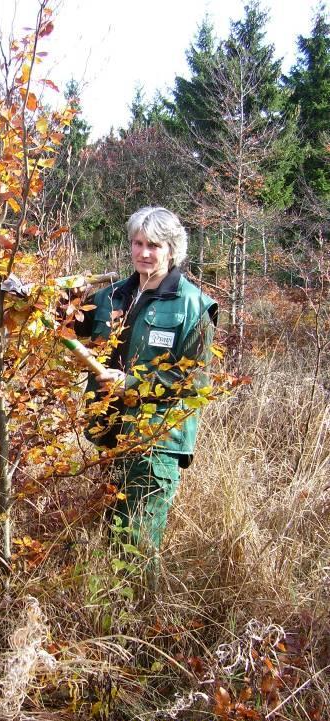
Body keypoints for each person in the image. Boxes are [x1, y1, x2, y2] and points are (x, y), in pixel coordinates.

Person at [75, 206, 218, 581]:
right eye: (138, 243)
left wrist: (132, 385)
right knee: (115, 532)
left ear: (172, 249)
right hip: (113, 431)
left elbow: (195, 382)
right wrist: (35, 296)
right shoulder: (115, 295)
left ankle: (139, 625)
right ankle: (112, 619)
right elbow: (72, 323)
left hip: (157, 439)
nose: (144, 253)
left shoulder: (192, 305)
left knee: (136, 539)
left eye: (153, 245)